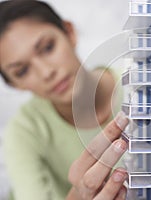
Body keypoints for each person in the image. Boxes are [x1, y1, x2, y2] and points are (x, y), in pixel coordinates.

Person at [0, 0, 129, 199]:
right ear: (13, 84)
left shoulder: (141, 86)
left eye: (48, 47)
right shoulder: (24, 131)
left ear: (69, 32)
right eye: (22, 71)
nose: (46, 72)